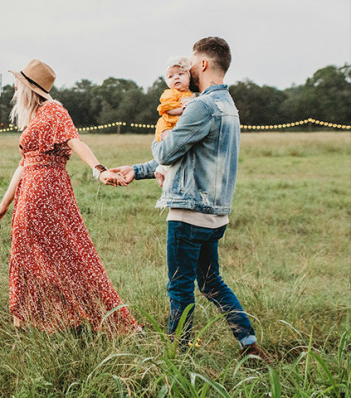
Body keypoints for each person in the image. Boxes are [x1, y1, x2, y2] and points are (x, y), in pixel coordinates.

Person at [111, 37, 270, 360]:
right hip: (215, 215)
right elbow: (187, 157)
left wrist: (162, 137)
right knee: (212, 283)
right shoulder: (228, 106)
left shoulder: (200, 106)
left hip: (188, 214)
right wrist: (137, 170)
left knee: (179, 287)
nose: (188, 69)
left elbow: (168, 150)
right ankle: (248, 344)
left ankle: (177, 356)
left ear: (204, 64)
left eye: (192, 63)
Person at [0, 59, 139, 334]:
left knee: (68, 253)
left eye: (17, 84)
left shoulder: (53, 110)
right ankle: (34, 320)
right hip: (30, 191)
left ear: (29, 88)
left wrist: (99, 170)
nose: (13, 89)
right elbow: (23, 165)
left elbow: (75, 140)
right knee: (27, 254)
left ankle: (87, 317)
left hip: (46, 190)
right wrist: (3, 205)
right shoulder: (34, 117)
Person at [154, 56, 195, 187]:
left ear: (189, 77)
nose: (176, 78)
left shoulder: (191, 95)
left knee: (178, 149)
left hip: (177, 126)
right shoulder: (170, 93)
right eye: (171, 77)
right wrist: (180, 110)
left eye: (181, 74)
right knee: (171, 144)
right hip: (167, 126)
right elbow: (167, 109)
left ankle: (162, 169)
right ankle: (164, 170)